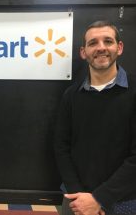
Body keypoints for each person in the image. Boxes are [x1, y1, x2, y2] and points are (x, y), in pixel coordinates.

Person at [54, 20, 136, 215]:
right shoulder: (71, 95)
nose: (101, 48)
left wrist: (100, 198)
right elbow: (61, 146)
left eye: (108, 41)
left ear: (120, 47)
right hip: (77, 200)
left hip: (124, 201)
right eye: (93, 43)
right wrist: (80, 196)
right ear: (83, 52)